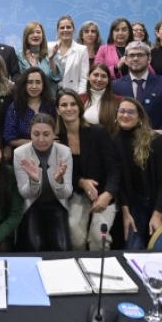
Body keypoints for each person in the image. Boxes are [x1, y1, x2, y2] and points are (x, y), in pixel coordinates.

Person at [114, 98, 162, 248]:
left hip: (159, 203)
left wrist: (157, 214)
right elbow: (119, 183)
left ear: (139, 116)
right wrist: (126, 213)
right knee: (132, 248)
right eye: (122, 111)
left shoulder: (156, 140)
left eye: (131, 112)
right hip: (133, 204)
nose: (125, 115)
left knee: (160, 248)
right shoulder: (114, 141)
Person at [56, 89, 120, 251]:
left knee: (98, 239)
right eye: (64, 105)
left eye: (73, 104)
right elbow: (60, 174)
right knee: (75, 239)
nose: (69, 108)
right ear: (57, 110)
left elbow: (114, 168)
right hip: (77, 194)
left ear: (79, 107)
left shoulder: (98, 132)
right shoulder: (57, 139)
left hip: (104, 193)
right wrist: (81, 182)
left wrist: (108, 194)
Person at [14, 114, 73, 251]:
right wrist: (34, 181)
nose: (41, 140)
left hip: (56, 206)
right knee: (35, 248)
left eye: (46, 134)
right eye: (36, 134)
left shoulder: (64, 152)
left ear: (54, 134)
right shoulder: (20, 153)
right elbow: (25, 193)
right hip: (33, 207)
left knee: (62, 249)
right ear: (30, 133)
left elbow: (66, 192)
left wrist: (58, 181)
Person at [113, 41, 162, 141]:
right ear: (125, 60)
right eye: (131, 55)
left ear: (149, 59)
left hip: (156, 145)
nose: (136, 58)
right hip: (124, 145)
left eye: (140, 55)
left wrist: (159, 135)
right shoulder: (115, 86)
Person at [4, 67, 56, 150]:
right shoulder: (15, 107)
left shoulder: (51, 104)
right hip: (23, 153)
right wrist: (38, 143)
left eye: (38, 82)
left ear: (43, 85)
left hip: (50, 151)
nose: (34, 86)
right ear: (24, 84)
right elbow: (9, 139)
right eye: (30, 82)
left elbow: (56, 132)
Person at [16, 21, 62, 96]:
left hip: (49, 99)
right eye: (31, 32)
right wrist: (33, 68)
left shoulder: (51, 53)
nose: (35, 35)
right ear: (26, 36)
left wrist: (51, 59)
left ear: (42, 35)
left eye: (38, 32)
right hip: (27, 100)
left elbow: (57, 78)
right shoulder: (19, 55)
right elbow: (20, 81)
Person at [51, 15, 89, 94]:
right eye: (62, 28)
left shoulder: (82, 50)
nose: (65, 30)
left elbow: (84, 78)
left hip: (73, 94)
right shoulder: (49, 47)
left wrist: (81, 97)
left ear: (73, 29)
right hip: (51, 94)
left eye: (68, 27)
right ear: (57, 30)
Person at [81, 63, 121, 134]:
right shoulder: (79, 99)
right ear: (88, 76)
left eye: (103, 76)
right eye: (95, 75)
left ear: (108, 79)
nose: (99, 79)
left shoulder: (119, 101)